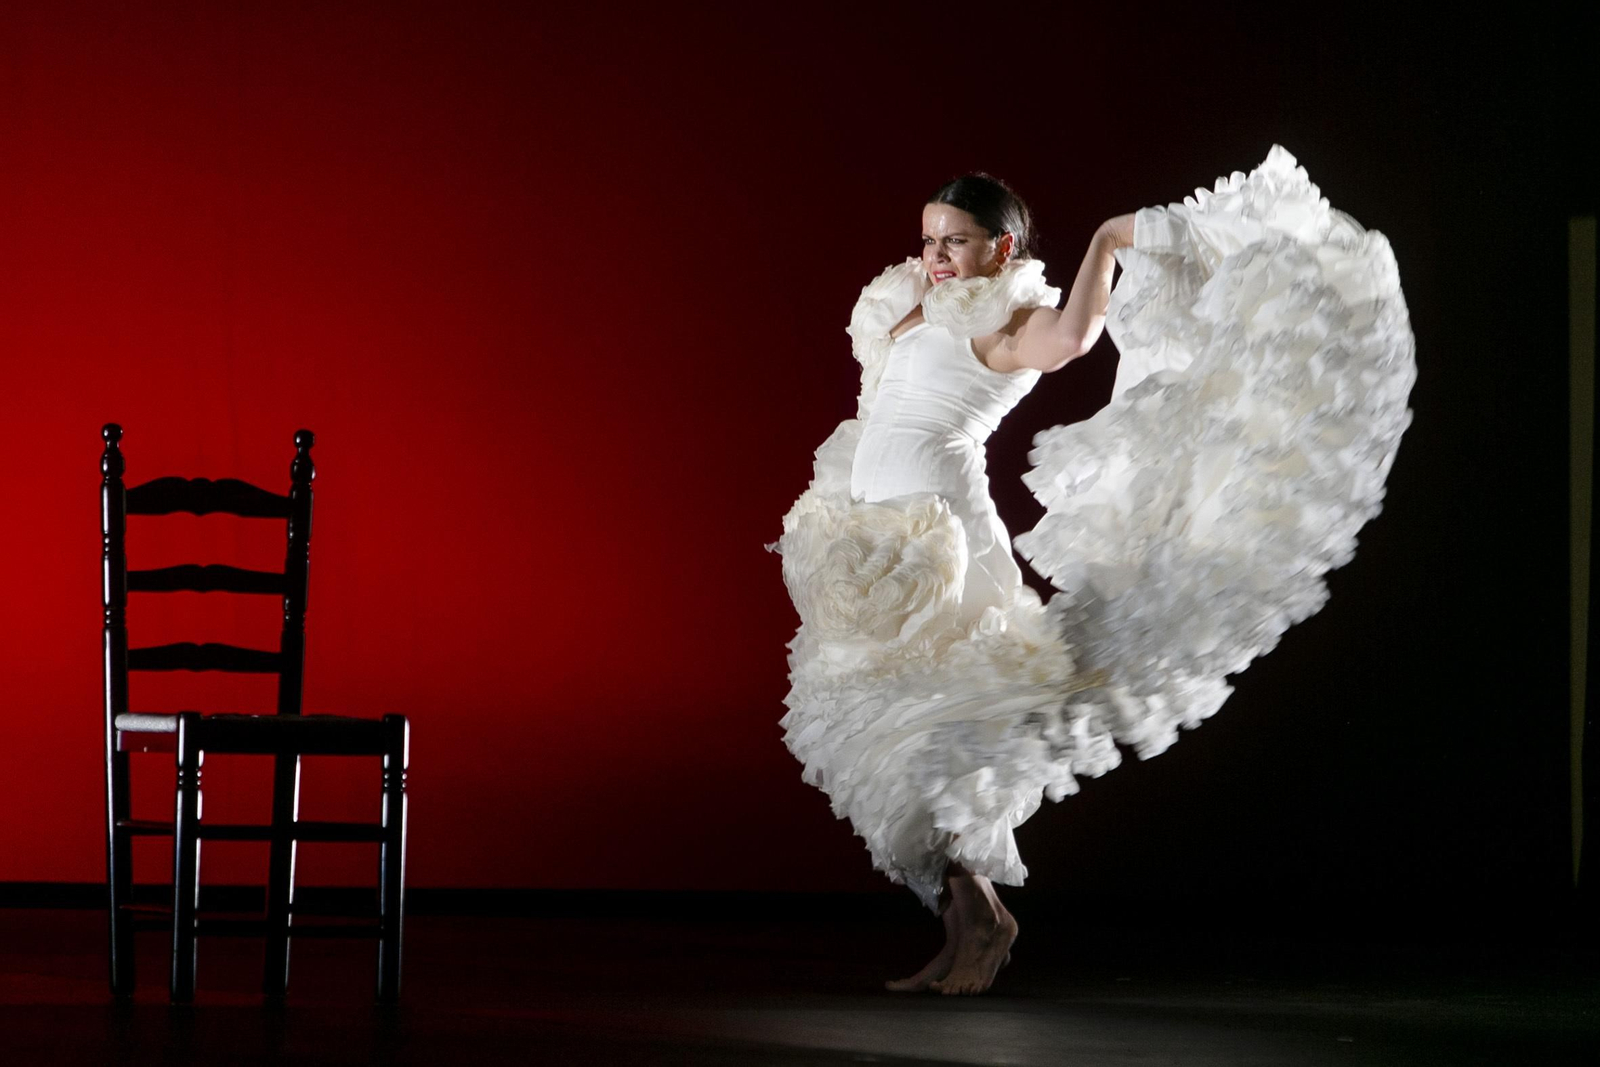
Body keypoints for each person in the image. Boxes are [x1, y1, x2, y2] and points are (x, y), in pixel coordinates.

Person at [769, 148, 1415, 996]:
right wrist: (926, 290)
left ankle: (983, 923)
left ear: (1001, 248)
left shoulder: (1012, 321)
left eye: (955, 241)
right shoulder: (922, 301)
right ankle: (970, 924)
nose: (935, 255)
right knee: (886, 738)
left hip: (939, 539)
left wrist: (1109, 240)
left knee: (929, 734)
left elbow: (1075, 338)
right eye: (929, 238)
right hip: (872, 535)